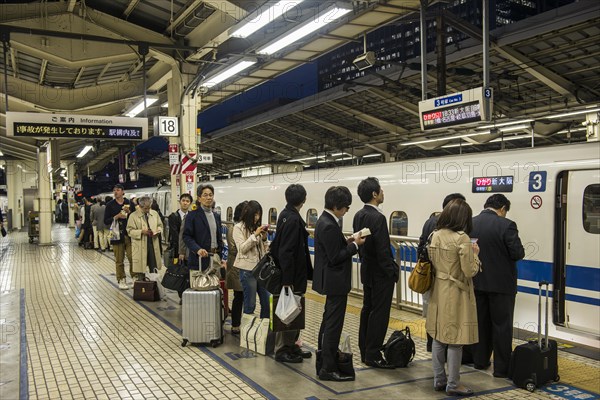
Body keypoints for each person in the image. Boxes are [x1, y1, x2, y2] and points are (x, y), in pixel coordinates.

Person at [426, 198, 481, 396]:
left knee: (439, 337)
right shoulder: (462, 238)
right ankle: (453, 383)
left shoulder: (436, 235)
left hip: (438, 289)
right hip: (456, 292)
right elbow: (469, 271)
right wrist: (475, 254)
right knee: (456, 340)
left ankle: (439, 379)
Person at [313, 186, 365, 382]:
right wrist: (354, 246)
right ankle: (328, 368)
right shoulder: (328, 224)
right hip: (335, 283)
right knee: (333, 326)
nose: (346, 211)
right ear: (336, 206)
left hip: (331, 282)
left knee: (328, 323)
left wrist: (349, 240)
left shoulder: (326, 221)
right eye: (346, 207)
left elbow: (332, 248)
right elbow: (335, 257)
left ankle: (323, 363)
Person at [470, 194, 525, 378]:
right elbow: (517, 253)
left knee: (481, 323)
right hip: (502, 287)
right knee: (502, 326)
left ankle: (480, 361)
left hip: (477, 283)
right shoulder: (507, 225)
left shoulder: (471, 223)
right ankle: (501, 368)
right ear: (502, 208)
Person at [352, 177, 398, 369]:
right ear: (374, 194)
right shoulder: (378, 218)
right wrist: (392, 271)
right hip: (380, 274)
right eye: (381, 190)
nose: (383, 193)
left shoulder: (358, 215)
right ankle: (373, 354)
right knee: (380, 313)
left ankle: (365, 350)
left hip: (367, 270)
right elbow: (382, 249)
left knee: (367, 309)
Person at [417, 193, 466, 352]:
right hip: (448, 281)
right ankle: (446, 349)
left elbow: (421, 248)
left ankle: (432, 344)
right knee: (449, 316)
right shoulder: (458, 231)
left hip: (430, 277)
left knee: (433, 313)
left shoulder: (429, 223)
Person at [271, 184, 313, 364]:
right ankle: (283, 349)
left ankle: (292, 344)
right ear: (304, 200)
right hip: (292, 276)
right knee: (289, 310)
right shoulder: (293, 219)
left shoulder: (285, 214)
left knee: (294, 309)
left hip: (293, 275)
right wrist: (287, 281)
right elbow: (286, 252)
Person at [233, 201, 270, 322]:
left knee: (267, 302)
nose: (257, 218)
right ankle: (247, 335)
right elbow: (242, 249)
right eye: (255, 215)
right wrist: (255, 235)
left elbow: (263, 250)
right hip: (248, 271)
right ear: (248, 214)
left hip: (261, 269)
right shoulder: (238, 228)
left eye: (259, 214)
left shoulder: (256, 228)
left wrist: (264, 239)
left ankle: (264, 332)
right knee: (250, 304)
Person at [182, 184, 224, 273]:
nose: (209, 198)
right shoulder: (192, 216)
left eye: (211, 195)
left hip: (215, 259)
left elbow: (218, 237)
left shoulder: (216, 216)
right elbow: (186, 236)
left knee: (214, 285)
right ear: (199, 198)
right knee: (198, 286)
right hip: (199, 260)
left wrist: (220, 255)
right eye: (205, 195)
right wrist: (197, 249)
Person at [104, 184, 134, 290]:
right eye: (114, 190)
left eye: (118, 190)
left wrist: (129, 213)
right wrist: (116, 217)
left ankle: (134, 277)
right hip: (117, 236)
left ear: (123, 192)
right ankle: (121, 279)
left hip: (129, 235)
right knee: (119, 260)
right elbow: (106, 220)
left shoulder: (129, 203)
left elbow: (135, 217)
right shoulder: (110, 205)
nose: (116, 191)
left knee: (132, 258)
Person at [126, 196, 163, 280]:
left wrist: (158, 231)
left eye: (149, 208)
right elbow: (129, 231)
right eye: (145, 208)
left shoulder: (154, 214)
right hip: (140, 245)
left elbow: (160, 225)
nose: (147, 210)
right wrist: (141, 232)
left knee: (154, 267)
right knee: (140, 269)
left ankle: (154, 287)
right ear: (140, 206)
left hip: (152, 243)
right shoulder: (133, 216)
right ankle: (142, 288)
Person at [167, 193, 193, 301]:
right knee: (180, 271)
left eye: (187, 201)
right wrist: (181, 251)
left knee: (189, 271)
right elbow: (175, 234)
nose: (185, 203)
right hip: (179, 249)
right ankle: (182, 295)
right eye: (183, 200)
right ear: (180, 202)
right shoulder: (173, 217)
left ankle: (189, 292)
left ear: (190, 203)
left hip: (191, 249)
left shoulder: (192, 216)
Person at [226, 201, 247, 334]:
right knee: (239, 296)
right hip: (236, 267)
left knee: (245, 296)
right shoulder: (233, 229)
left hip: (245, 267)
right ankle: (235, 324)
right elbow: (234, 249)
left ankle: (243, 322)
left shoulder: (246, 228)